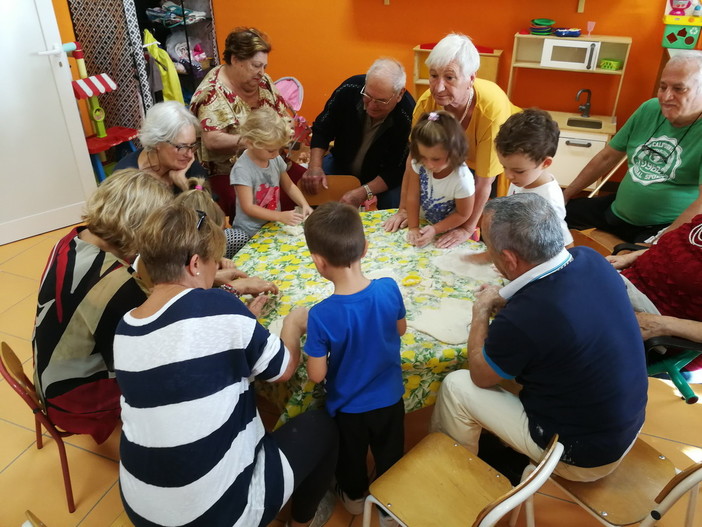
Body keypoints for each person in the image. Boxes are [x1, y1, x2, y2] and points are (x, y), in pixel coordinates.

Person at [114, 204, 338, 527]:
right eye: (212, 263)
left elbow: (187, 362)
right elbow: (285, 368)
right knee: (323, 427)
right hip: (218, 516)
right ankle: (304, 518)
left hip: (142, 508)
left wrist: (237, 325)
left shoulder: (126, 326)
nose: (214, 270)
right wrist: (292, 324)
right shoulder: (220, 306)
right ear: (194, 264)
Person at [431, 193, 648, 482]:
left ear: (509, 259)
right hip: (626, 424)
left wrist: (481, 310)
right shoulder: (590, 259)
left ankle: (459, 477)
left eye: (488, 247)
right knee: (514, 363)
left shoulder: (525, 316)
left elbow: (481, 375)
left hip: (582, 455)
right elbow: (560, 313)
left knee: (457, 385)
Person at [32, 169, 173, 444]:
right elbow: (142, 361)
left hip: (51, 375)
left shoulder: (73, 239)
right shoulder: (115, 287)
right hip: (73, 400)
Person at [302, 202, 406, 527]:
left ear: (319, 263)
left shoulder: (320, 315)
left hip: (350, 408)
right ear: (366, 247)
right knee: (391, 454)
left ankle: (355, 497)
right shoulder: (389, 288)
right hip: (391, 399)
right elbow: (400, 329)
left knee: (351, 457)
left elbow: (317, 375)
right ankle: (392, 505)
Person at [385, 33, 518, 246]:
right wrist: (403, 209)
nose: (438, 88)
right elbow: (414, 162)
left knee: (484, 227)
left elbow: (484, 182)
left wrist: (466, 228)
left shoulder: (491, 110)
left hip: (496, 156)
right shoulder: (427, 103)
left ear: (471, 79)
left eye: (449, 77)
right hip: (448, 161)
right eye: (433, 75)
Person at [564, 52, 702, 243]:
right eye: (662, 87)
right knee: (551, 216)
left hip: (660, 227)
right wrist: (567, 194)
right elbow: (607, 157)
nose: (666, 96)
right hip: (615, 210)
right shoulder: (649, 108)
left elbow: (701, 205)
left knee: (634, 266)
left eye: (679, 89)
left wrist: (662, 241)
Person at [190, 27, 291, 218]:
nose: (262, 73)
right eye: (256, 65)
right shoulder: (212, 92)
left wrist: (287, 128)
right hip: (228, 173)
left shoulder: (262, 80)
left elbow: (282, 113)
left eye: (264, 67)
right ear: (235, 60)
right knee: (254, 203)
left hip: (266, 160)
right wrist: (252, 141)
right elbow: (212, 140)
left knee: (306, 185)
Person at [299, 58, 415, 209]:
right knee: (314, 186)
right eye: (368, 96)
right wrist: (314, 167)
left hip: (382, 177)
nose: (372, 105)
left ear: (399, 94)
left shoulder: (408, 115)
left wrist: (364, 192)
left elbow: (398, 169)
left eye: (381, 101)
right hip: (341, 163)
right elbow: (322, 128)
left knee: (393, 205)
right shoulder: (349, 88)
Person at [466, 108, 572, 265]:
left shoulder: (548, 201)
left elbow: (565, 246)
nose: (508, 176)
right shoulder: (523, 180)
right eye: (504, 167)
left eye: (518, 170)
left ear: (545, 163)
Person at [608, 213, 702, 372]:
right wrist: (632, 257)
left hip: (658, 327)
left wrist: (663, 325)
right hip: (626, 288)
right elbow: (676, 246)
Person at [230, 107, 313, 252]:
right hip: (249, 234)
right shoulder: (242, 169)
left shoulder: (273, 159)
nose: (276, 154)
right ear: (250, 143)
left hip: (271, 227)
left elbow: (289, 186)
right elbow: (248, 207)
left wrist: (304, 204)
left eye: (278, 149)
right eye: (270, 150)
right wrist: (280, 216)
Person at [403, 111, 475, 248]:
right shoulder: (418, 163)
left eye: (436, 159)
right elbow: (413, 196)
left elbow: (463, 214)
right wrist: (413, 227)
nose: (429, 164)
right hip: (425, 222)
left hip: (450, 232)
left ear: (454, 152)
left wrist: (436, 229)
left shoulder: (462, 180)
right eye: (423, 156)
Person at [114, 101, 207, 193]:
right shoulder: (126, 178)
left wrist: (184, 183)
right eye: (182, 146)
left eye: (192, 145)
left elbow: (211, 206)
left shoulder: (188, 166)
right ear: (157, 142)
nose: (190, 155)